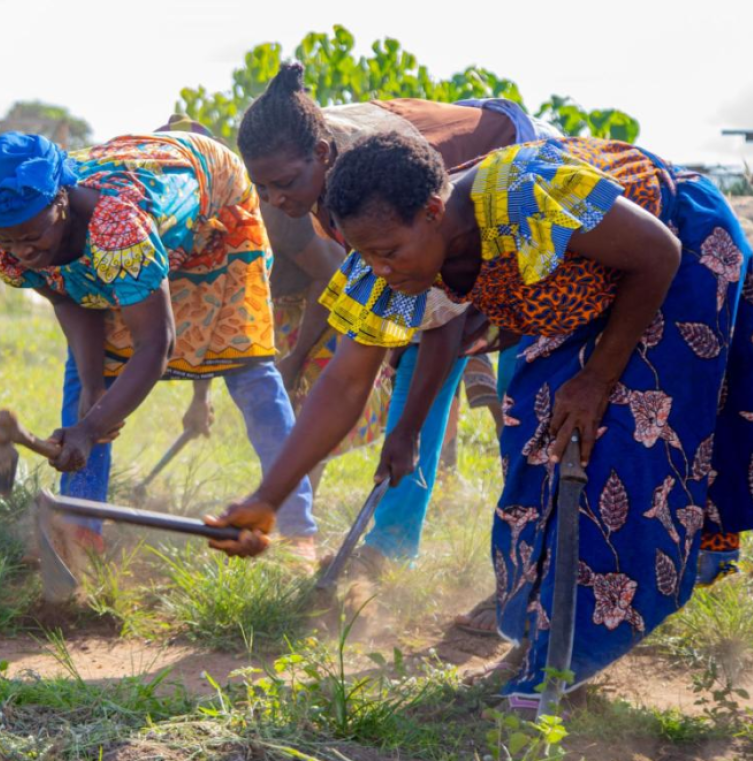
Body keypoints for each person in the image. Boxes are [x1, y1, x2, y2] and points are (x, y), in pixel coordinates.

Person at [210, 131, 753, 713]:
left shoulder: (523, 192)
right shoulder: (392, 260)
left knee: (626, 447)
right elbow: (346, 382)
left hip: (678, 252)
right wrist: (267, 498)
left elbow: (658, 253)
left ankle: (570, 657)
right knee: (536, 444)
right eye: (367, 255)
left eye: (388, 252)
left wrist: (597, 379)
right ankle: (542, 639)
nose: (379, 268)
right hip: (572, 296)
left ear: (433, 212)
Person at [232, 62, 556, 568]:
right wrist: (266, 498)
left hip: (529, 227)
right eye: (263, 189)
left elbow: (437, 321)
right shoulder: (322, 183)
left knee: (530, 399)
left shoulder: (387, 186)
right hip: (445, 256)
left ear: (322, 155)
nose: (274, 199)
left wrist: (404, 424)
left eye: (283, 184)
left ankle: (529, 562)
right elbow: (361, 346)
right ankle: (390, 548)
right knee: (413, 380)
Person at [0, 130, 317, 556]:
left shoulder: (117, 230)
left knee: (247, 366)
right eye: (9, 240)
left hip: (214, 199)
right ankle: (79, 529)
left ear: (60, 200)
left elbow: (155, 344)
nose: (21, 251)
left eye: (31, 236)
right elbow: (65, 294)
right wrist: (95, 392)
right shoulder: (7, 228)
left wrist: (91, 429)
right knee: (86, 381)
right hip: (128, 224)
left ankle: (297, 532)